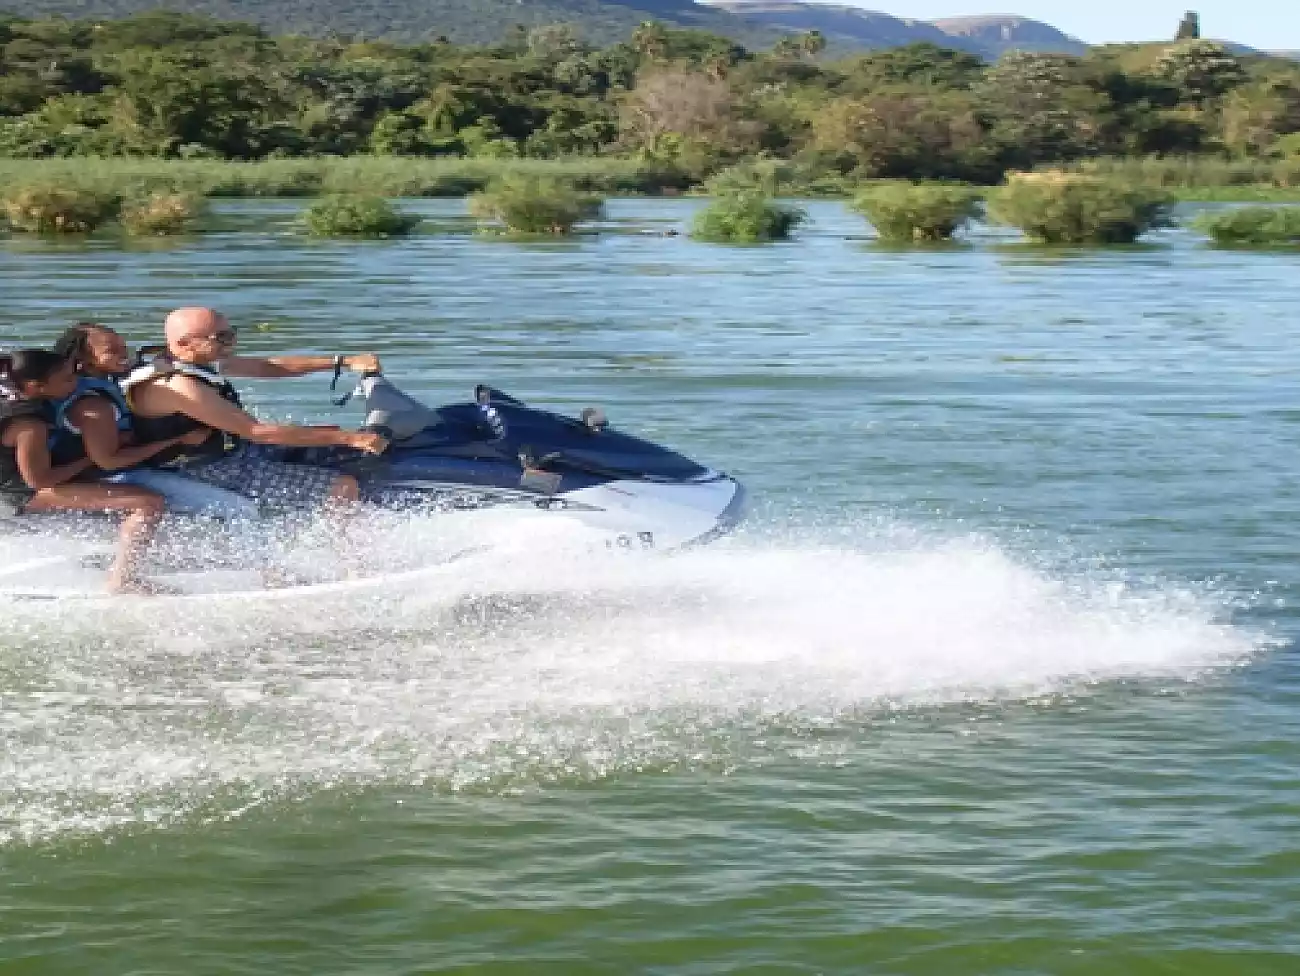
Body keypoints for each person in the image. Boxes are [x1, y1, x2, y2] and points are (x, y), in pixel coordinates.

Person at [120, 308, 389, 513]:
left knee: (326, 438)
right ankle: (348, 564)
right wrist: (353, 438)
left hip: (231, 450)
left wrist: (342, 361)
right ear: (185, 343)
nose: (232, 342)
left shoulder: (196, 361)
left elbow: (267, 367)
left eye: (231, 333)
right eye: (222, 337)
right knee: (341, 487)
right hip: (205, 468)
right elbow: (257, 431)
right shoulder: (178, 386)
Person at [0, 348, 197, 594]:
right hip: (16, 494)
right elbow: (39, 480)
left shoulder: (13, 397)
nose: (76, 384)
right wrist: (89, 459)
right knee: (147, 502)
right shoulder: (30, 425)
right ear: (34, 387)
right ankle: (122, 580)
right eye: (67, 380)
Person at [51, 322, 258, 519]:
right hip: (109, 477)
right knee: (239, 509)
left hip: (132, 468)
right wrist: (177, 441)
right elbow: (109, 461)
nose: (125, 355)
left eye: (123, 347)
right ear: (85, 363)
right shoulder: (93, 406)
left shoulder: (107, 380)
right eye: (112, 351)